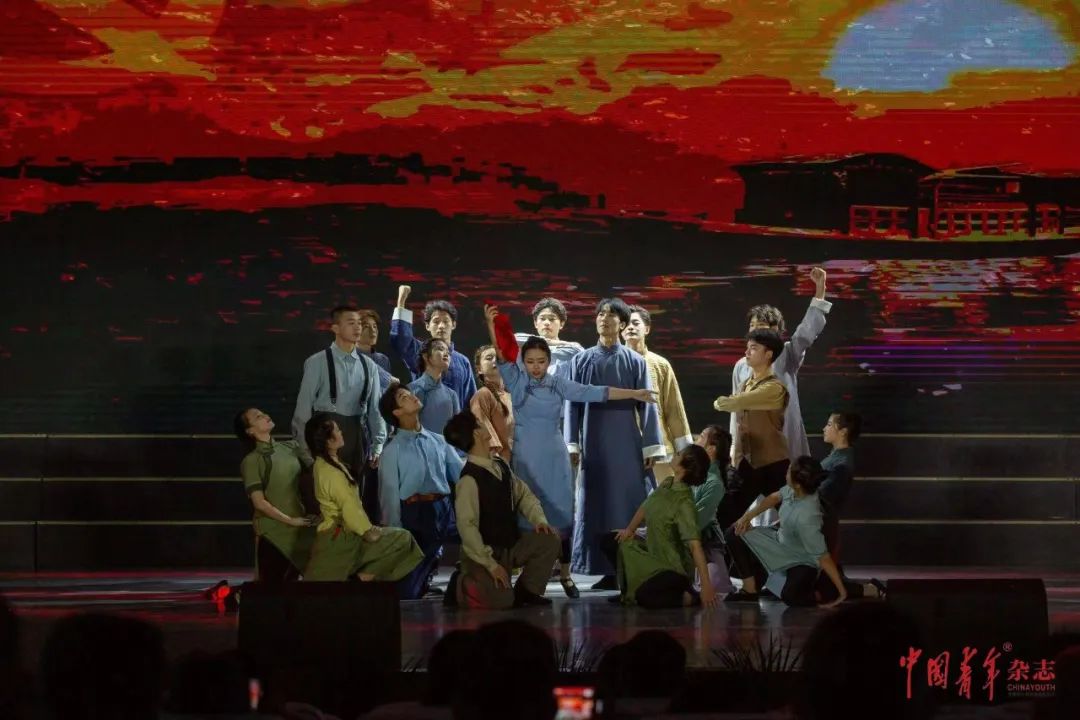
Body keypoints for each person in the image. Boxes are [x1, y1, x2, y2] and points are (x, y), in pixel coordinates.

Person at [485, 304, 658, 597]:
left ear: (549, 361)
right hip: (527, 456)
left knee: (560, 514)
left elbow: (596, 392)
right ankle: (526, 580)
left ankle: (566, 574)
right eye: (531, 361)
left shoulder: (559, 383)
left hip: (556, 457)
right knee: (526, 514)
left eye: (541, 361)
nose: (536, 366)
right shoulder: (516, 380)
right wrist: (492, 326)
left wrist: (634, 393)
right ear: (523, 362)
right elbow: (501, 353)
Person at [567, 298, 665, 589]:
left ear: (622, 324)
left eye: (610, 315)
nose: (604, 319)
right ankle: (603, 568)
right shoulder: (581, 361)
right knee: (595, 504)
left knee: (627, 502)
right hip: (593, 443)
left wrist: (651, 446)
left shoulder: (635, 361)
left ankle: (630, 566)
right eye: (600, 314)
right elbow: (571, 404)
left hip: (626, 445)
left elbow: (648, 405)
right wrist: (572, 443)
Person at [731, 267, 831, 526]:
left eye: (761, 326)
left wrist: (820, 289)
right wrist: (735, 447)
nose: (755, 331)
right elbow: (736, 411)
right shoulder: (741, 365)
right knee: (755, 506)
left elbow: (806, 332)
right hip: (753, 444)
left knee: (787, 496)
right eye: (752, 326)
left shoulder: (786, 355)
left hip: (782, 440)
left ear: (776, 331)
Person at [442, 411, 562, 610]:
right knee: (502, 601)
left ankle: (528, 591)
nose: (485, 424)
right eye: (480, 423)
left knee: (549, 540)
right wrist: (491, 565)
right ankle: (460, 583)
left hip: (509, 544)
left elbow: (524, 494)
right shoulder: (469, 480)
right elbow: (467, 528)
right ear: (476, 433)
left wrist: (539, 520)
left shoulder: (500, 465)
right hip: (483, 552)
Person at [303, 414, 423, 583]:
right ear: (329, 441)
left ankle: (363, 579)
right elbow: (349, 507)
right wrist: (367, 531)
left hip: (343, 532)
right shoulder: (331, 473)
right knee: (402, 540)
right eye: (337, 430)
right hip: (340, 537)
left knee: (402, 539)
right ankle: (362, 580)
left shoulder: (324, 464)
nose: (341, 432)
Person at [292, 305, 387, 517]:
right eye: (351, 323)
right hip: (325, 435)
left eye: (359, 323)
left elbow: (375, 410)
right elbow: (302, 411)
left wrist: (378, 445)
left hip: (356, 436)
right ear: (335, 328)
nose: (358, 328)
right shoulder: (317, 362)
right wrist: (307, 455)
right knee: (327, 505)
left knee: (354, 501)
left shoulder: (369, 366)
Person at [598, 445, 719, 609]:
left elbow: (695, 546)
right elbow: (645, 506)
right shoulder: (667, 483)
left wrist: (706, 587)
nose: (674, 455)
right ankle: (628, 591)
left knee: (645, 596)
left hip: (671, 568)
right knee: (610, 541)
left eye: (678, 454)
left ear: (685, 466)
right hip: (652, 556)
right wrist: (629, 530)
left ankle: (689, 596)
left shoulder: (684, 503)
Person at [378, 383, 464, 599]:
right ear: (397, 412)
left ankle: (464, 579)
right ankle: (422, 578)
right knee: (408, 592)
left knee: (479, 534)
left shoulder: (439, 441)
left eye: (410, 393)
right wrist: (396, 534)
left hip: (444, 509)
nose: (412, 396)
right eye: (403, 397)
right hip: (417, 514)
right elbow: (389, 496)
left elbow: (462, 476)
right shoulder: (392, 451)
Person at [723, 456, 846, 606]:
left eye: (788, 471)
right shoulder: (795, 490)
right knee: (734, 532)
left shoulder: (808, 517)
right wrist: (746, 517)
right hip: (780, 542)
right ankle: (750, 589)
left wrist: (842, 592)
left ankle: (823, 589)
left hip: (801, 558)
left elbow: (823, 557)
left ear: (798, 484)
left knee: (791, 596)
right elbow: (773, 498)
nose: (785, 474)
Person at [713, 329, 791, 524]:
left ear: (768, 354)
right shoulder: (746, 384)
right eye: (747, 348)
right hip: (748, 463)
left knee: (793, 514)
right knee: (726, 514)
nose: (747, 352)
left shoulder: (774, 388)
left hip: (773, 463)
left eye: (754, 348)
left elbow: (731, 403)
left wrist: (724, 401)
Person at [234, 408, 317, 583]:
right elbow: (259, 503)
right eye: (258, 417)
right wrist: (290, 520)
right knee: (271, 589)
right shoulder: (252, 461)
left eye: (264, 413)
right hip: (274, 532)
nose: (266, 415)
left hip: (300, 526)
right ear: (250, 431)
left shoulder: (292, 446)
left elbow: (318, 472)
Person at [623, 305, 694, 480]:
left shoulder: (660, 364)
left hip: (659, 446)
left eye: (635, 323)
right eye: (626, 324)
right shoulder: (611, 364)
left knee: (663, 494)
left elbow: (674, 409)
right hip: (622, 445)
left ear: (647, 329)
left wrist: (685, 450)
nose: (630, 327)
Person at [390, 284, 476, 408]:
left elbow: (471, 399)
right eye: (436, 321)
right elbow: (401, 340)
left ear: (453, 325)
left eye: (446, 321)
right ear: (427, 326)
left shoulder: (463, 361)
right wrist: (401, 302)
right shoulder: (420, 352)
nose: (441, 326)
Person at [819, 411, 860, 559]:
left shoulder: (841, 464)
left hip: (821, 526)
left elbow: (823, 497)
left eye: (829, 425)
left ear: (843, 432)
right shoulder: (836, 457)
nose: (824, 428)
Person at [513, 297, 585, 380]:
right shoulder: (522, 345)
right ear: (535, 323)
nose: (547, 323)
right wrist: (550, 342)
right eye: (542, 319)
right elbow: (511, 338)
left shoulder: (571, 349)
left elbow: (580, 352)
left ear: (561, 324)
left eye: (552, 319)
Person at [408, 338, 461, 437]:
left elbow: (457, 432)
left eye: (448, 352)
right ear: (425, 356)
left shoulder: (452, 395)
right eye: (440, 349)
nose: (446, 354)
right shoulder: (411, 390)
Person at [470, 344, 514, 462]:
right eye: (489, 358)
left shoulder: (510, 396)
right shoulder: (483, 395)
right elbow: (482, 431)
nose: (495, 360)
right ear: (479, 369)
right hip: (500, 464)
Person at [357, 308, 396, 394]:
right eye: (366, 327)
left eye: (374, 326)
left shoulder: (383, 359)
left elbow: (388, 390)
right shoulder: (348, 358)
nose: (373, 330)